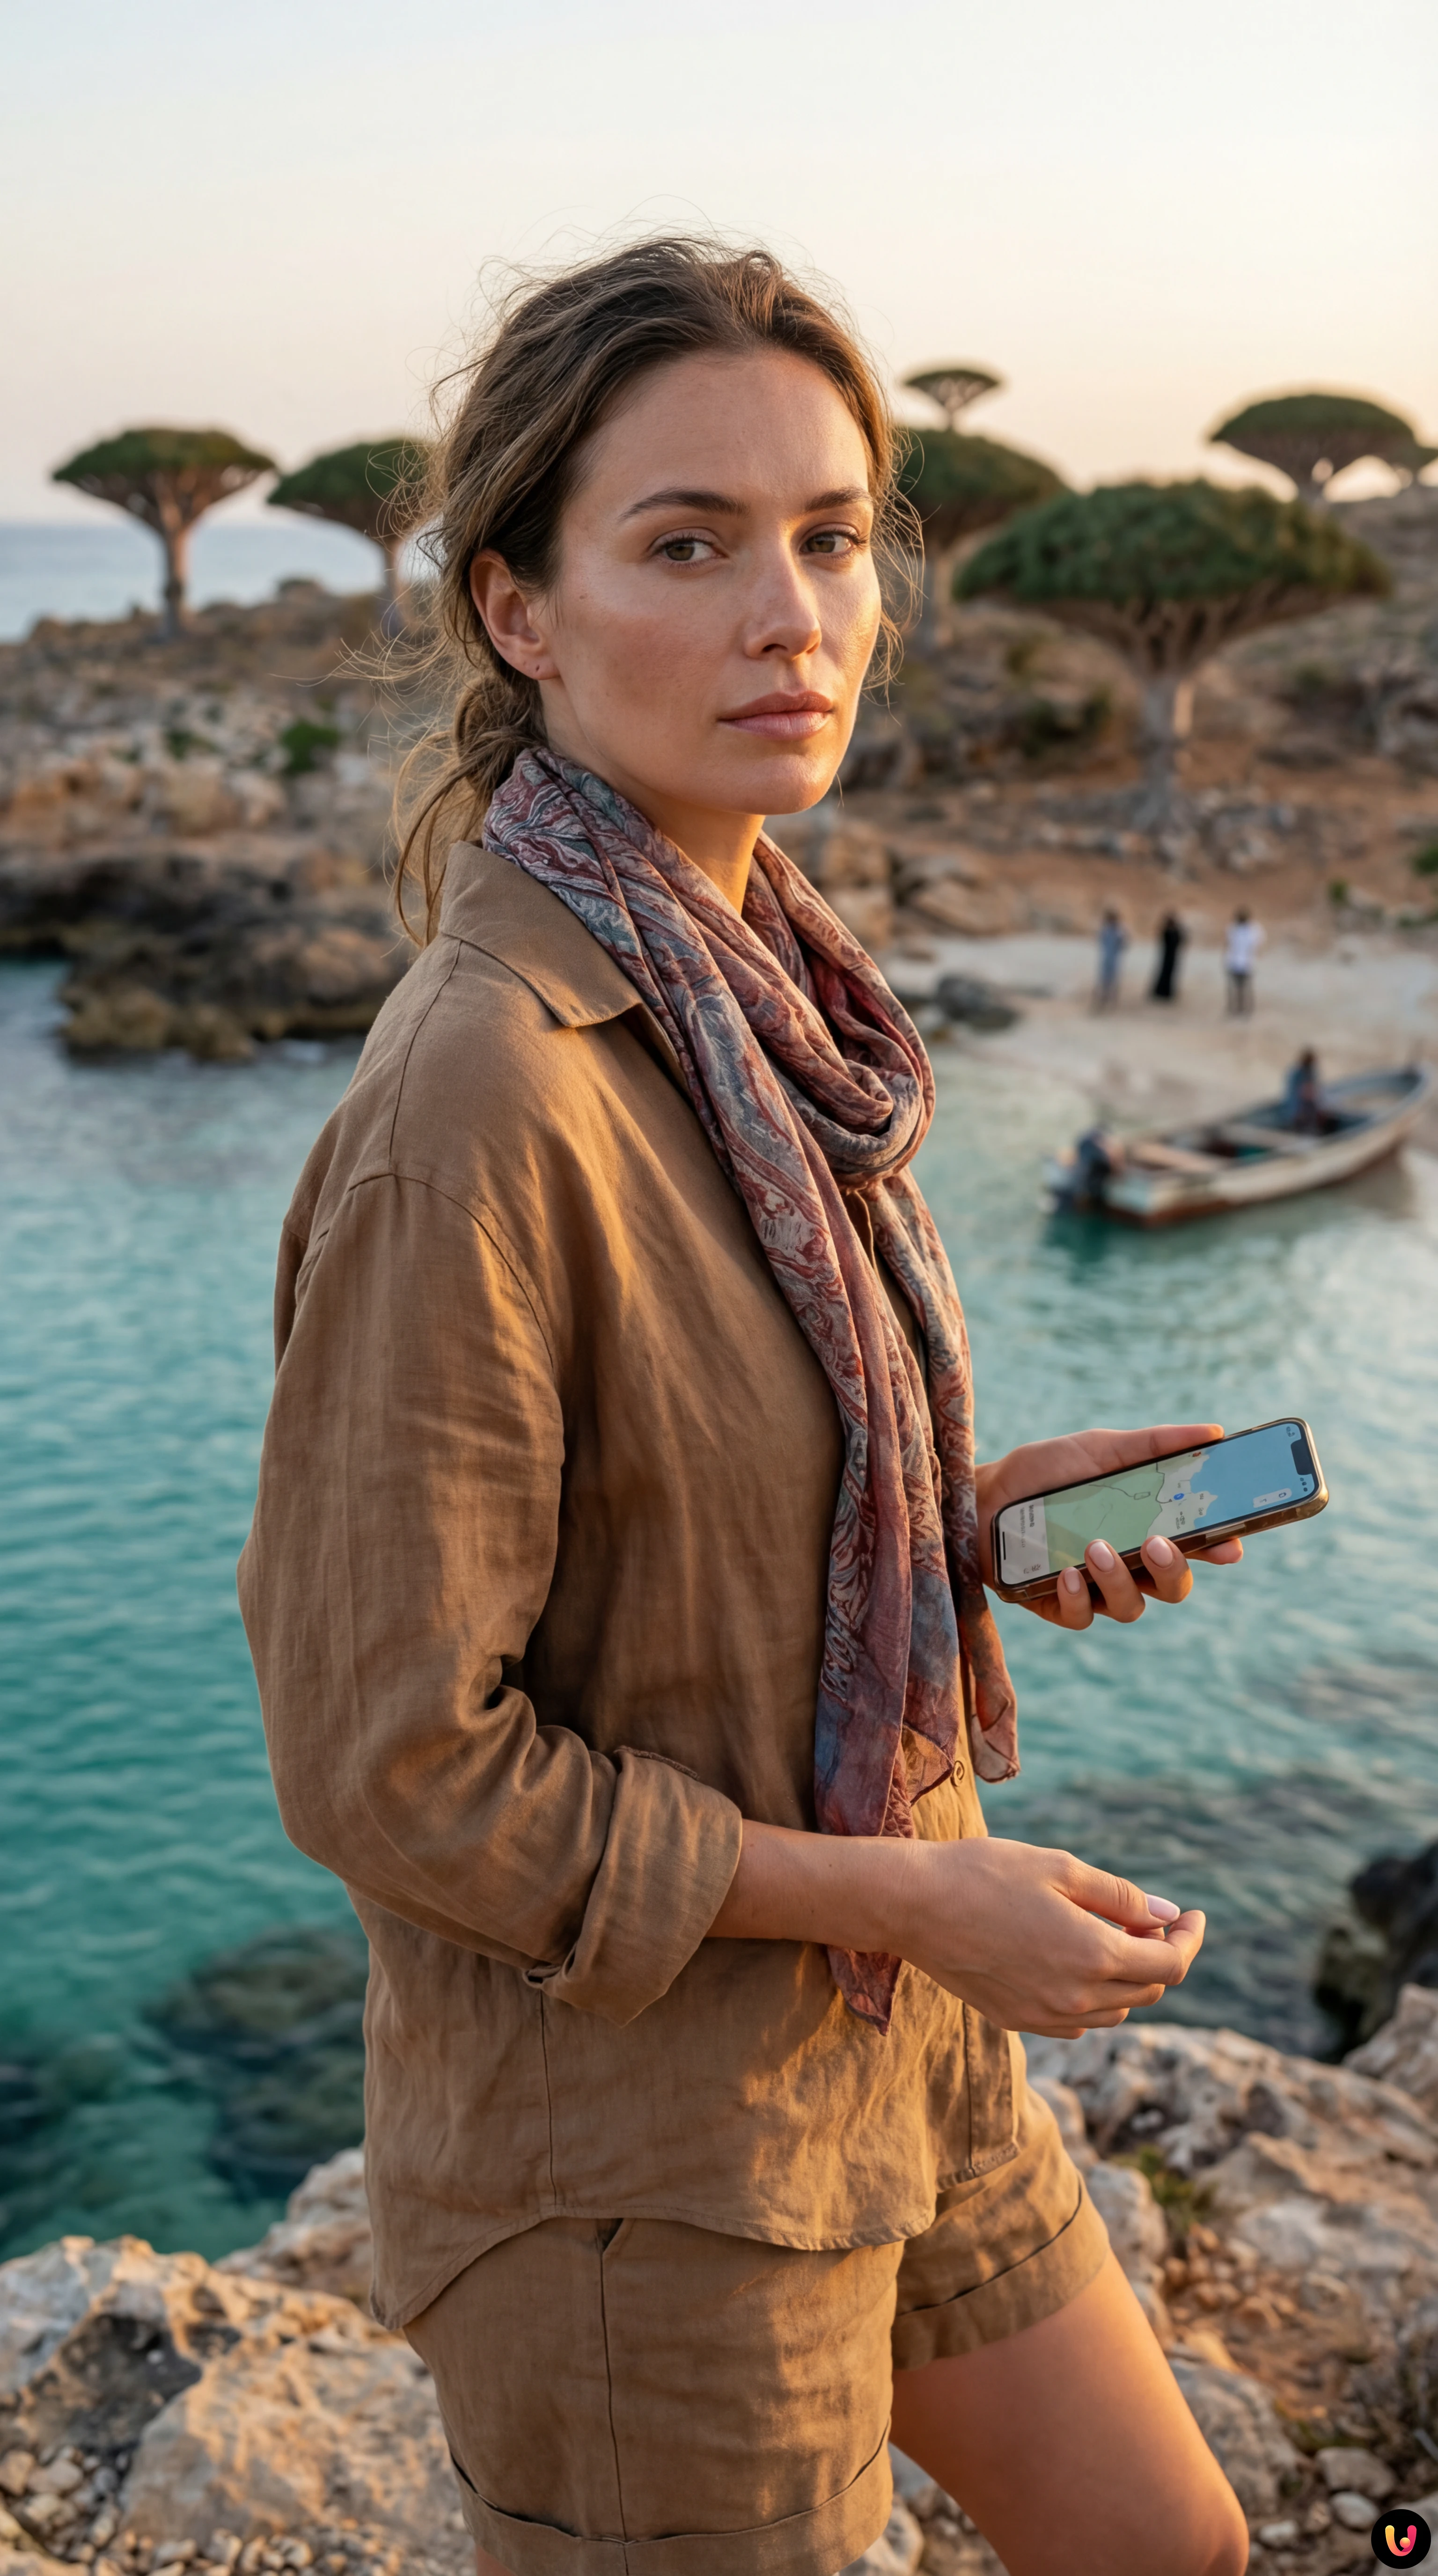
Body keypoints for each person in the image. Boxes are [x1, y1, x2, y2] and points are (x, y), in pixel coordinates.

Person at [239, 239, 1249, 2576]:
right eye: (683, 543)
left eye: (826, 533)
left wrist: (975, 1520)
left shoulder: (759, 988)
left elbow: (707, 1517)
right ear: (520, 607)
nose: (787, 608)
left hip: (887, 2049)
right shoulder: (484, 1088)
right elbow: (386, 1759)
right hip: (638, 2182)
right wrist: (915, 1886)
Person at [1282, 1048, 1332, 1134]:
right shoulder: (1299, 1074)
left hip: (1301, 1109)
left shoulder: (1307, 1072)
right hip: (1298, 1110)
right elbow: (1304, 1093)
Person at [1224, 907, 1263, 1015]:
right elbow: (1229, 944)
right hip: (1234, 962)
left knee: (1246, 989)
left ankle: (1247, 1010)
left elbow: (1257, 944)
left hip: (1247, 963)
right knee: (1234, 988)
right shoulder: (1233, 928)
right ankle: (1234, 1009)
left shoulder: (1254, 929)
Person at [1093, 906, 1127, 1010]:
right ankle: (1103, 998)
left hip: (1114, 958)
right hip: (1107, 958)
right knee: (1104, 979)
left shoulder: (1119, 931)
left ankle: (1112, 1000)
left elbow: (1124, 944)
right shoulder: (1106, 930)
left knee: (1113, 980)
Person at [1152, 911, 1186, 1002]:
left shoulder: (1175, 931)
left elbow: (1181, 940)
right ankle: (1162, 993)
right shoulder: (1167, 931)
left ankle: (1167, 993)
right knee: (1164, 974)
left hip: (1172, 956)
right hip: (1167, 956)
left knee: (1170, 974)